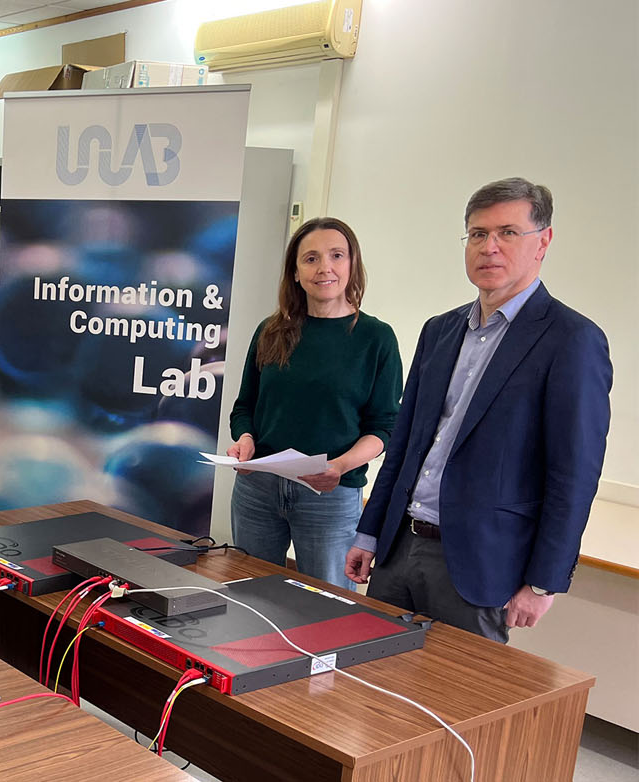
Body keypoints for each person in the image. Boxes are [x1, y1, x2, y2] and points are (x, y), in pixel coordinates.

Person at [346, 178, 611, 643]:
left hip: (480, 567)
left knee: (457, 708)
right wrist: (369, 533)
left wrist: (543, 581)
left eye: (508, 232)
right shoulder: (440, 330)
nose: (489, 247)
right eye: (477, 234)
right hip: (398, 549)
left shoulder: (571, 340)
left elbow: (573, 475)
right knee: (373, 696)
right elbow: (405, 444)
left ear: (542, 241)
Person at [227, 218, 402, 589]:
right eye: (310, 258)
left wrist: (339, 466)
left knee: (327, 608)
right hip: (258, 488)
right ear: (294, 271)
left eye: (337, 255)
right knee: (249, 596)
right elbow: (245, 407)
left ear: (352, 264)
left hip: (331, 494)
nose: (325, 267)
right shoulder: (270, 331)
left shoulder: (376, 338)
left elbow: (384, 427)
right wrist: (245, 441)